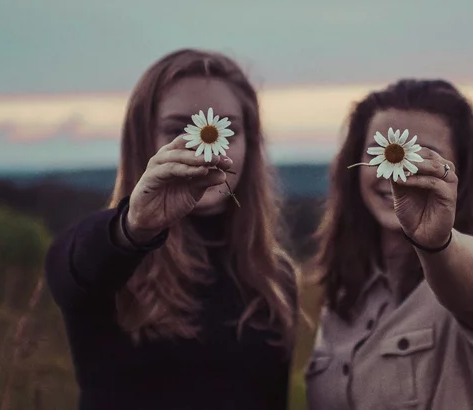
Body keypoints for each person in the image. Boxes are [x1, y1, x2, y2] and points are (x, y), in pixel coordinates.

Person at [45, 49, 297, 410]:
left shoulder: (274, 277)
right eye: (178, 129)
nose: (202, 147)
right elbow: (71, 267)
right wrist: (134, 228)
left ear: (250, 144)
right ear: (142, 140)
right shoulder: (110, 258)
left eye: (224, 129)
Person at [306, 79, 473, 409]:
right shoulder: (345, 296)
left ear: (462, 172)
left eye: (423, 156)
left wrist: (437, 243)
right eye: (382, 152)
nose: (398, 173)